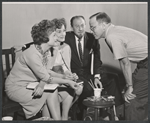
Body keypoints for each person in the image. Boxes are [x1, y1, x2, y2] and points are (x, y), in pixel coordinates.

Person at [5, 19, 79, 120]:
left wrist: (64, 76)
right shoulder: (32, 54)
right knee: (50, 92)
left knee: (51, 91)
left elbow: (47, 71)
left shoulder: (46, 52)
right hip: (16, 88)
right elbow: (47, 77)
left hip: (30, 85)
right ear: (45, 38)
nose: (57, 37)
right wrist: (67, 81)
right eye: (54, 35)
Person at [89, 12, 148, 120]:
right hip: (143, 65)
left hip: (146, 64)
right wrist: (129, 85)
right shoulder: (114, 30)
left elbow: (125, 63)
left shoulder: (111, 36)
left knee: (132, 100)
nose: (91, 31)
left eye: (93, 27)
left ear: (103, 25)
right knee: (130, 96)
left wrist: (129, 87)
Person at [65, 15, 124, 120]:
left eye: (82, 25)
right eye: (77, 26)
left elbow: (97, 60)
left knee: (113, 78)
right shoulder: (65, 38)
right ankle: (82, 115)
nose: (80, 29)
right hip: (74, 75)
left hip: (89, 74)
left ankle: (114, 113)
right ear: (72, 27)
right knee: (87, 88)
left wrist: (97, 76)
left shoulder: (92, 38)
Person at [46, 18, 83, 120]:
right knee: (70, 88)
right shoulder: (48, 48)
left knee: (78, 88)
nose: (63, 34)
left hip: (61, 77)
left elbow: (65, 67)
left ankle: (64, 116)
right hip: (50, 79)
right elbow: (46, 72)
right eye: (59, 31)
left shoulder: (66, 47)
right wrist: (64, 77)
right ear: (53, 33)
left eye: (64, 31)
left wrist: (71, 75)